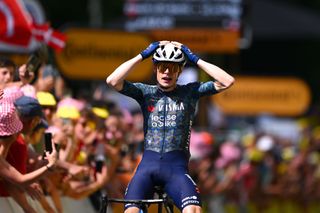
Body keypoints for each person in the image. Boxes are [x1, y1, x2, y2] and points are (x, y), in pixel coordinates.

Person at [106, 41, 234, 213]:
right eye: (162, 67)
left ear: (180, 71)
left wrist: (195, 59)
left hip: (176, 169)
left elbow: (227, 81)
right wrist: (143, 55)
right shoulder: (145, 92)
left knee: (193, 210)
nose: (167, 72)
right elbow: (112, 80)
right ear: (155, 69)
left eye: (173, 68)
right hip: (147, 168)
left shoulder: (190, 92)